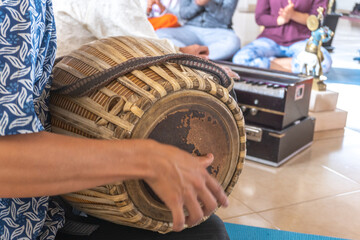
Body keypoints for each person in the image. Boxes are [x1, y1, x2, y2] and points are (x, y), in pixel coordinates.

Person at [0, 0, 230, 239]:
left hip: (45, 205)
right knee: (206, 234)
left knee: (208, 229)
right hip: (18, 221)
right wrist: (146, 159)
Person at [232, 0, 332, 74]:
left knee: (323, 63)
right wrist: (279, 20)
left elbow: (317, 20)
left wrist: (293, 15)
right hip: (269, 40)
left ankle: (269, 62)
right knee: (240, 59)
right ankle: (296, 67)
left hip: (301, 41)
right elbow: (260, 17)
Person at [155, 0, 241, 61]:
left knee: (234, 42)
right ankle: (191, 55)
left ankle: (191, 58)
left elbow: (225, 18)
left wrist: (208, 3)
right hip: (190, 29)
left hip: (218, 31)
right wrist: (197, 4)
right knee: (159, 34)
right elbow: (183, 14)